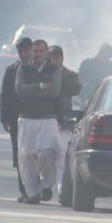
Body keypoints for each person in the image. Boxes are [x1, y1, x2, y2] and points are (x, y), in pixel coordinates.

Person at [15, 39, 62, 204]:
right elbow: (20, 90)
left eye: (41, 51)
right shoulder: (23, 68)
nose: (38, 54)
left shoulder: (55, 70)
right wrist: (40, 86)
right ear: (32, 51)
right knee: (26, 157)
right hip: (26, 118)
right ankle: (33, 194)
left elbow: (54, 92)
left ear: (46, 52)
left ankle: (47, 185)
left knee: (46, 153)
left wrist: (31, 91)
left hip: (47, 119)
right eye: (35, 51)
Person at [0, 37, 32, 201]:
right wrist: (4, 118)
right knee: (20, 155)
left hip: (35, 117)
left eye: (27, 50)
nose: (24, 54)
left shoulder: (39, 68)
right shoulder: (11, 69)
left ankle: (38, 188)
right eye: (21, 51)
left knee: (36, 154)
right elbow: (4, 95)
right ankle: (24, 190)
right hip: (16, 119)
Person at [49, 45, 82, 194]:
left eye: (57, 57)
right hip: (46, 117)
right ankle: (47, 184)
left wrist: (60, 74)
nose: (55, 59)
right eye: (52, 57)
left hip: (64, 120)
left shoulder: (69, 74)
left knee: (62, 152)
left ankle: (60, 185)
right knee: (46, 152)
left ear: (62, 58)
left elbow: (76, 89)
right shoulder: (43, 73)